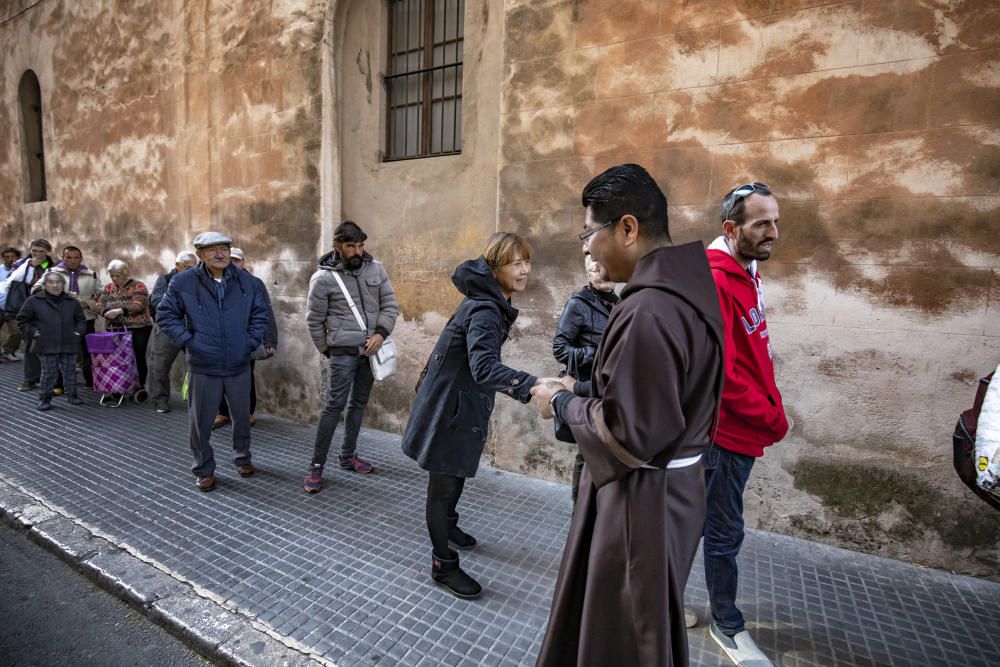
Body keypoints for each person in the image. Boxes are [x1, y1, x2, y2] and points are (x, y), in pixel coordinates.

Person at [530, 164, 724, 666]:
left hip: (644, 502)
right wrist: (588, 386)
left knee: (622, 634)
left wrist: (561, 401)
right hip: (676, 491)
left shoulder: (648, 310)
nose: (587, 249)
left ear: (629, 228)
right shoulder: (688, 289)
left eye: (589, 233)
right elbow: (658, 393)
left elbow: (628, 434)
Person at [402, 232, 545, 600]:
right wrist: (532, 384)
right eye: (516, 263)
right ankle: (442, 564)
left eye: (526, 261)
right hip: (451, 409)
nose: (525, 269)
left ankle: (449, 527)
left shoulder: (489, 300)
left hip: (458, 404)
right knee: (443, 486)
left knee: (457, 474)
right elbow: (484, 367)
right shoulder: (485, 308)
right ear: (495, 268)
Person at [700, 182, 787, 667]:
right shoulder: (716, 279)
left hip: (741, 429)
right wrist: (770, 415)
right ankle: (726, 625)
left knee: (705, 525)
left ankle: (666, 604)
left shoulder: (747, 270)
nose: (774, 232)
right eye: (762, 224)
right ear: (731, 229)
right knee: (723, 530)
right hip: (724, 436)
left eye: (775, 221)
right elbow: (723, 372)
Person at [156, 232, 270, 492]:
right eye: (212, 250)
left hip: (238, 363)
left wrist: (249, 343)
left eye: (224, 249)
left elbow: (260, 314)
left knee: (241, 417)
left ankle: (242, 458)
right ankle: (204, 470)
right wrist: (190, 341)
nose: (220, 254)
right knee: (200, 422)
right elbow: (165, 314)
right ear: (199, 255)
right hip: (203, 365)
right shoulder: (183, 282)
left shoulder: (248, 282)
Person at [303, 221, 398, 491]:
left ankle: (348, 456)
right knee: (334, 407)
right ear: (338, 246)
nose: (357, 251)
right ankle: (316, 466)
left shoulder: (375, 268)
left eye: (360, 245)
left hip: (371, 352)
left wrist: (380, 333)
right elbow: (314, 321)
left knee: (358, 404)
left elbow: (390, 305)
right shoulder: (323, 279)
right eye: (350, 246)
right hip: (342, 354)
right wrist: (329, 350)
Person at [552, 254, 618, 503]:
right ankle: (580, 509)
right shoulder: (577, 304)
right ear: (587, 275)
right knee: (588, 451)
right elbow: (559, 348)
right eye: (595, 269)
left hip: (607, 388)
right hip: (587, 391)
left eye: (608, 267)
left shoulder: (616, 303)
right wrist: (595, 354)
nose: (603, 273)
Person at [212, 248, 277, 428]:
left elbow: (266, 312)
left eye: (236, 260)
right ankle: (223, 412)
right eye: (229, 260)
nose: (233, 264)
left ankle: (246, 413)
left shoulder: (254, 284)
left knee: (245, 376)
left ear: (243, 262)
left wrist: (270, 340)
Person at [16, 272, 86, 410]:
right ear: (44, 285)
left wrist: (78, 332)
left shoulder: (71, 302)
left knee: (70, 371)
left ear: (63, 285)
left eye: (58, 282)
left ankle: (72, 396)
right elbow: (22, 320)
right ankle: (44, 399)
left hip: (69, 341)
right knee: (49, 372)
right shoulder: (33, 301)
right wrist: (35, 332)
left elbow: (81, 320)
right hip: (45, 342)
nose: (55, 285)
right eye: (51, 282)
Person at [34, 246, 103, 387]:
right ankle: (58, 384)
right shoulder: (51, 272)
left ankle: (91, 381)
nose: (72, 261)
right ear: (63, 258)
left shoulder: (92, 275)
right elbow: (35, 290)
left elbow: (102, 296)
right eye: (68, 257)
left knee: (88, 352)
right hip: (58, 320)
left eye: (76, 257)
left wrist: (88, 303)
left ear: (81, 258)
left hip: (85, 319)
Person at [147, 251, 198, 413]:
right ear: (177, 266)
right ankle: (159, 399)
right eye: (186, 267)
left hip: (193, 328)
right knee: (159, 365)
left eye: (193, 267)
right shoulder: (165, 280)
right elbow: (157, 302)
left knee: (199, 365)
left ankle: (198, 401)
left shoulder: (200, 280)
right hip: (169, 329)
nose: (190, 270)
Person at [97, 260, 154, 398]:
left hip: (138, 327)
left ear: (125, 274)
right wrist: (105, 312)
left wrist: (120, 310)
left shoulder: (138, 286)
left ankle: (139, 385)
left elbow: (139, 305)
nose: (115, 279)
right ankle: (120, 384)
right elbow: (99, 304)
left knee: (136, 355)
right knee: (117, 357)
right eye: (112, 276)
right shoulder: (109, 288)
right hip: (115, 327)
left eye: (118, 276)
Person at [2, 239, 55, 389]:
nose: (37, 254)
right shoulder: (20, 265)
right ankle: (30, 379)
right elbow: (11, 282)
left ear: (47, 252)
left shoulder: (51, 266)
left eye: (41, 251)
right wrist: (29, 267)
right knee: (31, 344)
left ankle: (52, 378)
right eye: (34, 250)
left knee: (51, 345)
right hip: (26, 310)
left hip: (48, 310)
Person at [0, 246, 22, 361]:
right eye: (7, 257)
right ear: (3, 258)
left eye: (13, 256)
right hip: (0, 306)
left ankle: (8, 351)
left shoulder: (21, 271)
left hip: (14, 308)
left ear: (17, 258)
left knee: (17, 332)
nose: (10, 259)